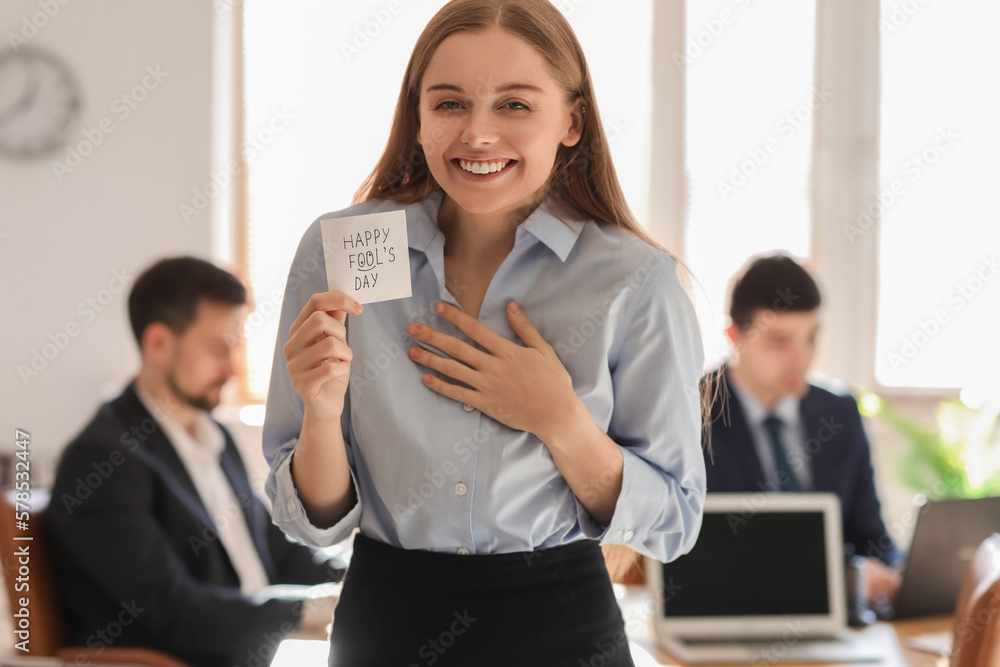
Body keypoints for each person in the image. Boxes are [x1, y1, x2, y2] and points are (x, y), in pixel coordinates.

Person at [261, 1, 708, 665]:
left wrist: (561, 420)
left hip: (561, 632)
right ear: (418, 116)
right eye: (449, 104)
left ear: (572, 121)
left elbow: (673, 520)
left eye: (515, 106)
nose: (477, 133)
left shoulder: (634, 282)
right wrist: (323, 416)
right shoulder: (345, 251)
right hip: (385, 627)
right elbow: (313, 523)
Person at [46, 257, 345, 667]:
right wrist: (306, 610)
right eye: (219, 347)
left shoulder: (214, 435)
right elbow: (171, 609)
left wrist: (354, 578)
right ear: (158, 344)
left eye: (236, 345)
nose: (232, 369)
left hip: (258, 651)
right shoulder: (103, 459)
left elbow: (274, 549)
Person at [700, 253, 905, 616]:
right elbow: (708, 556)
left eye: (810, 338)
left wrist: (901, 572)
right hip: (734, 619)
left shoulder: (839, 414)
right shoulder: (694, 413)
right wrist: (846, 579)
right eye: (780, 342)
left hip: (838, 626)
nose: (801, 359)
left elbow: (870, 536)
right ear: (735, 337)